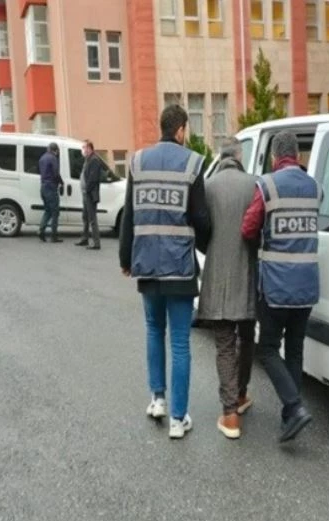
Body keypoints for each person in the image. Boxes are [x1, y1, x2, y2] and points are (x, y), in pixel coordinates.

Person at [119, 104, 211, 440]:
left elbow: (130, 215)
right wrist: (205, 246)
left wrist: (126, 258)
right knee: (181, 343)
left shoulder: (138, 161)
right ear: (181, 129)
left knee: (154, 330)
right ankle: (177, 418)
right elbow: (201, 218)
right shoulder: (192, 163)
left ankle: (157, 399)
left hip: (147, 264)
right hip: (180, 267)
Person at [240, 130, 321, 443]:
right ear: (297, 156)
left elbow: (248, 228)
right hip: (307, 285)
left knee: (268, 349)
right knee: (295, 349)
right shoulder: (315, 187)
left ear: (274, 157)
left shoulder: (267, 186)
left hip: (275, 286)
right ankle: (290, 415)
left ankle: (295, 407)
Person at [196, 138, 258, 440]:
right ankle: (241, 393)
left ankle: (230, 413)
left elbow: (200, 229)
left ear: (220, 157)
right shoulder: (255, 184)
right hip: (247, 273)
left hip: (218, 275)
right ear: (239, 156)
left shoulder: (207, 187)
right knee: (246, 338)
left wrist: (212, 249)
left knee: (224, 344)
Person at [75, 139, 103, 250]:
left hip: (90, 194)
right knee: (85, 217)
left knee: (92, 218)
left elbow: (93, 178)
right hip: (86, 193)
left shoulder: (94, 160)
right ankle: (84, 238)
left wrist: (87, 190)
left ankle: (96, 243)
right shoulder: (87, 160)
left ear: (90, 148)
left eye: (85, 147)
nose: (83, 150)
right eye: (83, 148)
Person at [38, 142, 64, 243]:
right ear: (55, 150)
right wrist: (61, 182)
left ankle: (41, 231)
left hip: (43, 187)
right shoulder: (53, 158)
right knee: (55, 212)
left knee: (47, 211)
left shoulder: (42, 158)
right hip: (51, 188)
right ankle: (54, 236)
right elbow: (56, 173)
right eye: (57, 151)